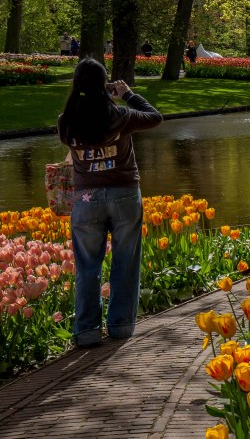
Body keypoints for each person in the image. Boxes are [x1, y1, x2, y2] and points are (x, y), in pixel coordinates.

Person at [57, 58, 163, 347]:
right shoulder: (120, 115)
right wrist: (127, 93)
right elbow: (155, 117)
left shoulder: (66, 121)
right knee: (125, 262)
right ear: (105, 85)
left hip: (85, 199)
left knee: (87, 266)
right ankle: (120, 325)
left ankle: (88, 330)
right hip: (124, 194)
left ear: (76, 84)